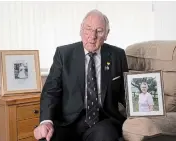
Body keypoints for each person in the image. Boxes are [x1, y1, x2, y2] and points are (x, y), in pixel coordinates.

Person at [34, 9, 128, 141]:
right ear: (80, 29)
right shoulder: (63, 54)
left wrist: (144, 108)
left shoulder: (117, 55)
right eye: (88, 29)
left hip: (103, 120)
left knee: (106, 136)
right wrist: (46, 121)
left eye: (99, 31)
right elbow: (51, 91)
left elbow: (126, 92)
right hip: (68, 121)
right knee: (49, 138)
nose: (92, 36)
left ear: (106, 34)